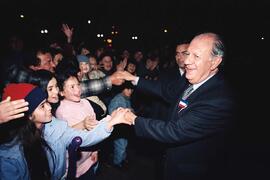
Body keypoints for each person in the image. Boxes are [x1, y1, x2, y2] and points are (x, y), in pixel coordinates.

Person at [121, 32, 235, 180]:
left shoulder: (218, 100)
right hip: (170, 161)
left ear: (214, 62)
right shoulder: (193, 78)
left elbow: (174, 131)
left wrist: (132, 119)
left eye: (196, 56)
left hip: (191, 172)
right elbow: (167, 91)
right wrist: (132, 78)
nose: (186, 61)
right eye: (188, 54)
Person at [0, 83, 131, 179]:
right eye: (42, 106)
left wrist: (111, 121)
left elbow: (86, 137)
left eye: (46, 102)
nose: (49, 107)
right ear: (27, 115)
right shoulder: (9, 155)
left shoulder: (55, 127)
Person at [108, 81, 134, 169]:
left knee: (123, 145)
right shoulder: (118, 99)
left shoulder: (126, 98)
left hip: (124, 128)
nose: (130, 91)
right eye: (128, 89)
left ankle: (122, 159)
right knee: (121, 146)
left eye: (131, 89)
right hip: (119, 128)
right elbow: (112, 113)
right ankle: (117, 163)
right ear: (122, 89)